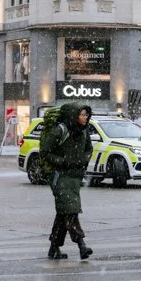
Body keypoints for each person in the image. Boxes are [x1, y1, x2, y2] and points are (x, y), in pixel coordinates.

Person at [40, 102, 95, 260]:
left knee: (63, 213)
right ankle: (81, 244)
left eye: (86, 114)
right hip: (60, 176)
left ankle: (54, 247)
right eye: (82, 114)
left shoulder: (83, 132)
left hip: (75, 176)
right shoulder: (60, 130)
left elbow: (88, 149)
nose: (85, 118)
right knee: (71, 210)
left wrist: (82, 161)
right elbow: (45, 152)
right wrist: (62, 161)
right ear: (73, 115)